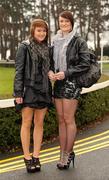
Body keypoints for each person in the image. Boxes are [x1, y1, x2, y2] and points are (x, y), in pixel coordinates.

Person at [48, 11, 90, 170]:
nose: (63, 24)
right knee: (60, 120)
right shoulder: (55, 41)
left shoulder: (79, 41)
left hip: (71, 83)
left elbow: (85, 64)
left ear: (72, 22)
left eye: (66, 21)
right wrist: (51, 72)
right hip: (58, 84)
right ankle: (63, 152)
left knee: (68, 119)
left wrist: (66, 73)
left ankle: (68, 153)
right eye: (61, 21)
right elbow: (51, 62)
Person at [13, 19, 53, 173]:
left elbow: (51, 67)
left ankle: (36, 156)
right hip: (28, 89)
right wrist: (18, 93)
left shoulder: (47, 48)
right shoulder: (24, 47)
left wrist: (51, 72)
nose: (42, 33)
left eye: (44, 31)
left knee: (39, 123)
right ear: (33, 31)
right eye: (39, 30)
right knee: (27, 123)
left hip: (43, 89)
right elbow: (19, 71)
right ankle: (27, 157)